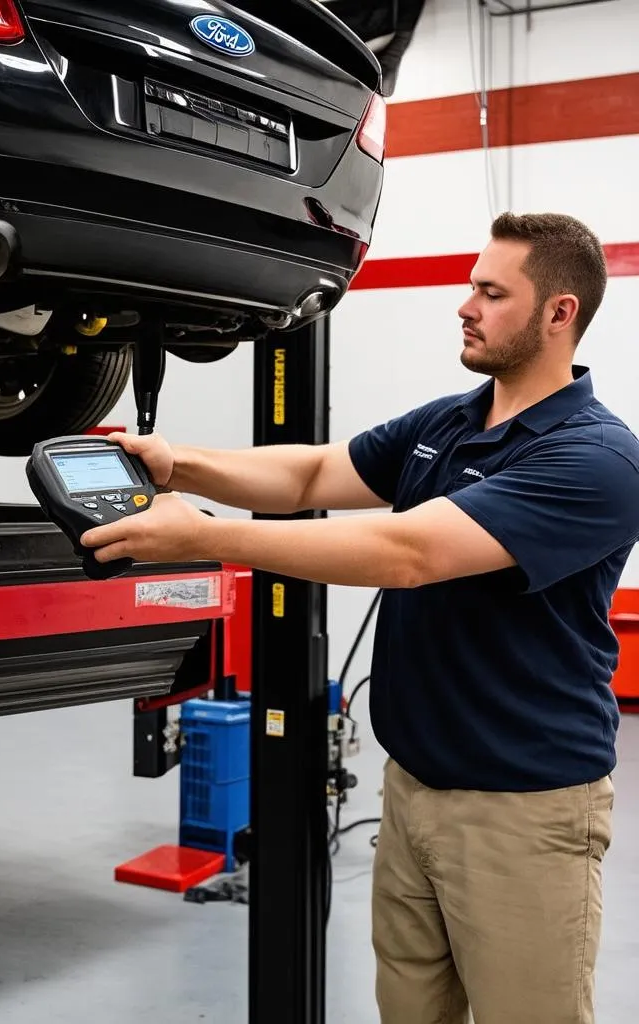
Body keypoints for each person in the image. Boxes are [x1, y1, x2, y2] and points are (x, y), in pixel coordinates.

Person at [81, 212, 639, 1024]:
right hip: (412, 791)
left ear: (560, 314)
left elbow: (409, 552)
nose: (464, 305)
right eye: (470, 286)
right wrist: (182, 462)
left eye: (491, 291)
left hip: (521, 813)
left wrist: (202, 536)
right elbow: (312, 472)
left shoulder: (594, 460)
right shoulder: (452, 420)